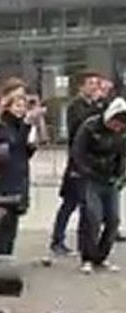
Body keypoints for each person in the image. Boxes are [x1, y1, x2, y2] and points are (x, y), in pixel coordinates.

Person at [46, 72, 103, 262]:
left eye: (97, 83)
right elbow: (81, 126)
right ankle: (57, 240)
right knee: (70, 203)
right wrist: (95, 105)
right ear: (81, 87)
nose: (94, 87)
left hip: (91, 162)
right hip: (77, 163)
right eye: (90, 83)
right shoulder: (75, 107)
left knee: (86, 205)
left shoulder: (97, 105)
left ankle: (84, 243)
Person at [70, 97, 126, 274]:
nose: (117, 128)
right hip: (91, 179)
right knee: (92, 217)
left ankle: (101, 257)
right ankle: (87, 257)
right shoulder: (90, 127)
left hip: (111, 179)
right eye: (115, 123)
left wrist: (121, 177)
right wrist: (85, 172)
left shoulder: (122, 134)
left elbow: (123, 156)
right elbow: (77, 152)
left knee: (113, 219)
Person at [0, 80, 40, 256]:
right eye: (17, 105)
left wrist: (31, 141)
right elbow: (11, 147)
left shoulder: (21, 125)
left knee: (13, 224)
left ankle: (6, 255)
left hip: (20, 176)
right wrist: (26, 125)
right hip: (5, 179)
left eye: (23, 106)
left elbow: (24, 151)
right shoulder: (2, 125)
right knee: (3, 222)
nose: (21, 109)